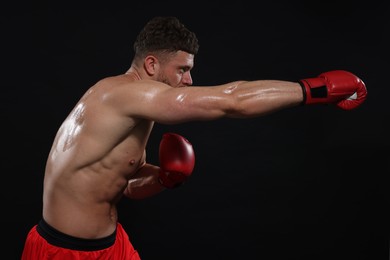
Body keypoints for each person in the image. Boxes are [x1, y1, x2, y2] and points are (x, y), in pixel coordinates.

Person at [21, 16, 367, 259]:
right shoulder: (122, 94)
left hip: (113, 247)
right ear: (152, 65)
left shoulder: (133, 108)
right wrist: (314, 90)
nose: (187, 80)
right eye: (183, 70)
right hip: (63, 251)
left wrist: (164, 178)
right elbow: (231, 101)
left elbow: (125, 185)